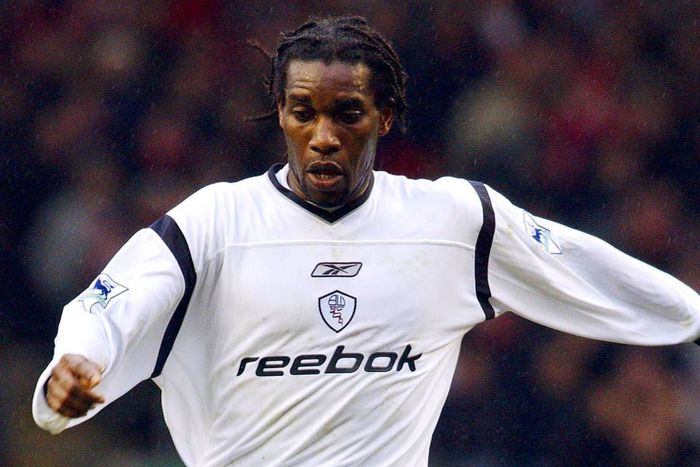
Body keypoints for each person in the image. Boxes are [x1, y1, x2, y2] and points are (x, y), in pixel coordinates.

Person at [33, 15, 700, 466]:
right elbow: (109, 305)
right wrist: (74, 365)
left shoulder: (454, 221)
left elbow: (583, 266)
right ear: (281, 114)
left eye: (347, 113)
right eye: (303, 112)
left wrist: (692, 316)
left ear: (384, 116)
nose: (323, 136)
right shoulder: (214, 226)